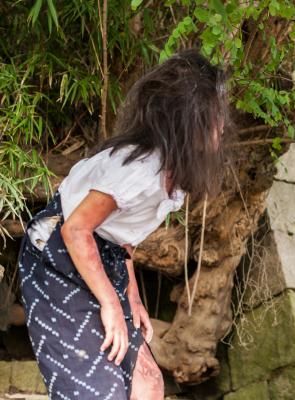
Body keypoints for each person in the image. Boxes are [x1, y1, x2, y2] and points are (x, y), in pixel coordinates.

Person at [17, 49, 229, 399]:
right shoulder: (140, 171)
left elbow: (123, 238)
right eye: (215, 114)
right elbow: (76, 229)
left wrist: (132, 299)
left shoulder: (172, 177)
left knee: (147, 382)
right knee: (98, 390)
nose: (222, 124)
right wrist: (111, 305)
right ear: (188, 118)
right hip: (56, 255)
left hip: (100, 253)